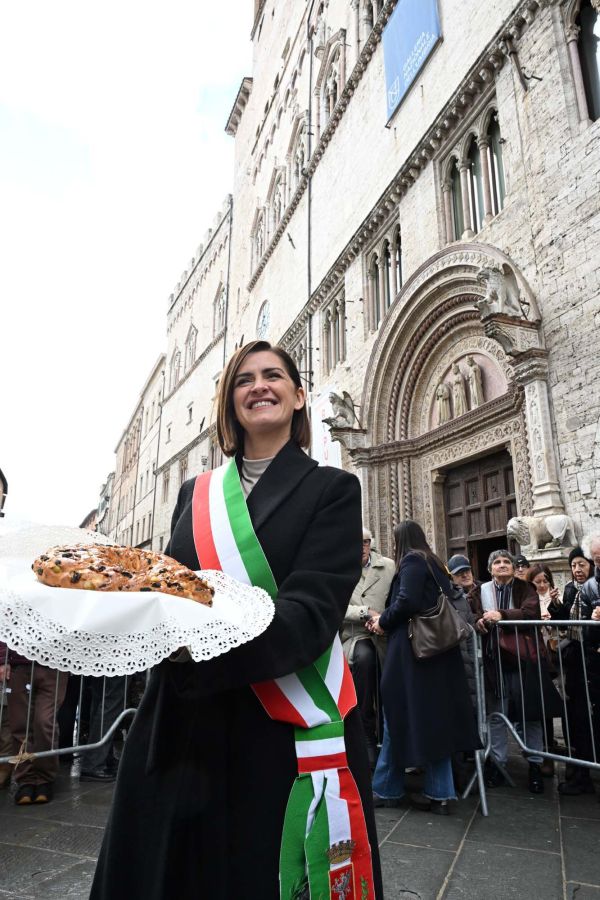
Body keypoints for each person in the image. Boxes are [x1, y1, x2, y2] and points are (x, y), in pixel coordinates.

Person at [91, 341, 382, 900]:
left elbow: (311, 613)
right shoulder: (193, 495)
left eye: (274, 375)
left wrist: (195, 655)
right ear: (231, 402)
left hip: (277, 728)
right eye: (245, 379)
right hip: (181, 722)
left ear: (299, 397)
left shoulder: (333, 490)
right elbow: (168, 592)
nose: (259, 386)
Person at [368, 520, 480, 816]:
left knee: (397, 712)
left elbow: (407, 602)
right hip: (437, 653)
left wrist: (383, 620)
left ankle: (386, 788)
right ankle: (439, 793)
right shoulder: (434, 562)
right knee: (434, 722)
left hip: (415, 653)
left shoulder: (413, 562)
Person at [469, 550, 549, 793]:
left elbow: (531, 612)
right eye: (497, 562)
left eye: (506, 562)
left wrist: (501, 615)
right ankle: (498, 763)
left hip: (524, 660)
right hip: (495, 661)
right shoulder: (479, 592)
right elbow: (470, 615)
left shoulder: (526, 589)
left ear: (514, 568)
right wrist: (479, 622)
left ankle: (535, 764)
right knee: (496, 713)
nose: (502, 565)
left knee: (530, 714)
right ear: (490, 569)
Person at [341, 526, 395, 766]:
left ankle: (392, 742)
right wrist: (365, 613)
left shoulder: (388, 566)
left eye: (364, 542)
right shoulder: (339, 568)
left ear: (370, 543)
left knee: (392, 689)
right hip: (356, 635)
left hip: (387, 634)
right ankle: (366, 738)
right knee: (364, 661)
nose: (360, 547)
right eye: (355, 542)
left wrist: (385, 619)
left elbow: (397, 596)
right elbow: (335, 605)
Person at [549, 543, 599, 795]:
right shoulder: (570, 589)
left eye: (582, 564)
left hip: (593, 659)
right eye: (573, 565)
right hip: (575, 660)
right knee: (576, 715)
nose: (577, 569)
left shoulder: (595, 589)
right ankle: (580, 770)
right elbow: (564, 620)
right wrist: (556, 605)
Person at [0, 646, 68, 805]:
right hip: (20, 662)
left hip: (54, 662)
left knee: (44, 722)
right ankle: (26, 779)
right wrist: (3, 658)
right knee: (20, 723)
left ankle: (44, 778)